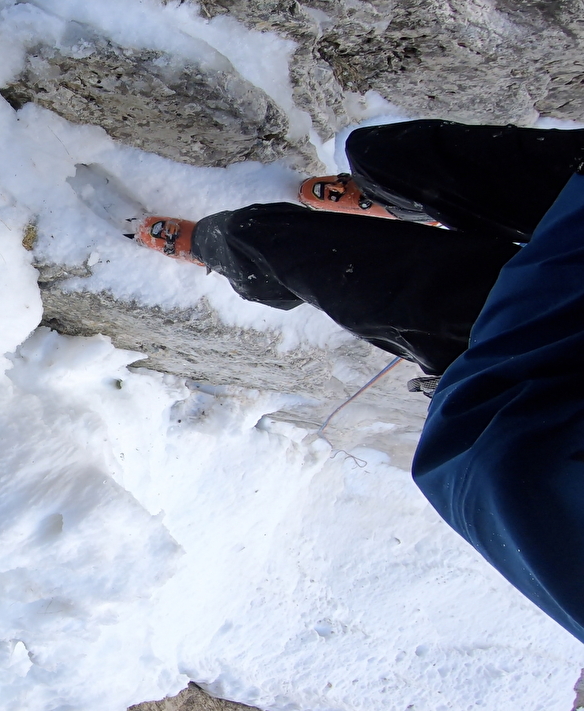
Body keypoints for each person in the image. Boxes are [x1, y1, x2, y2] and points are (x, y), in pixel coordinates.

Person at [136, 119, 584, 643]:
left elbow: (503, 475)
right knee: (381, 153)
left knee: (275, 241)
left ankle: (228, 249)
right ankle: (401, 201)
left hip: (527, 349)